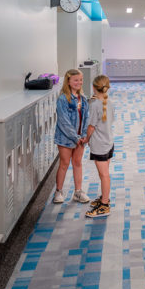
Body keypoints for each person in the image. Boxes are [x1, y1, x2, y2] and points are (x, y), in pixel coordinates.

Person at [53, 68, 90, 204]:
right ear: (68, 81)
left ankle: (78, 192)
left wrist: (84, 135)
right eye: (75, 80)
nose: (79, 82)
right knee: (64, 164)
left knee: (77, 163)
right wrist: (76, 137)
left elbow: (86, 117)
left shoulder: (83, 98)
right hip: (66, 138)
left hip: (80, 138)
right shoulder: (63, 99)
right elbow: (64, 122)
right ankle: (58, 192)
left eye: (80, 80)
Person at [84, 74, 115, 218]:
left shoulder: (95, 105)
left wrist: (85, 139)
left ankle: (104, 205)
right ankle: (104, 198)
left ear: (94, 87)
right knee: (105, 174)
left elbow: (91, 126)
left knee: (104, 175)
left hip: (99, 145)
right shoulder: (109, 102)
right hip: (108, 142)